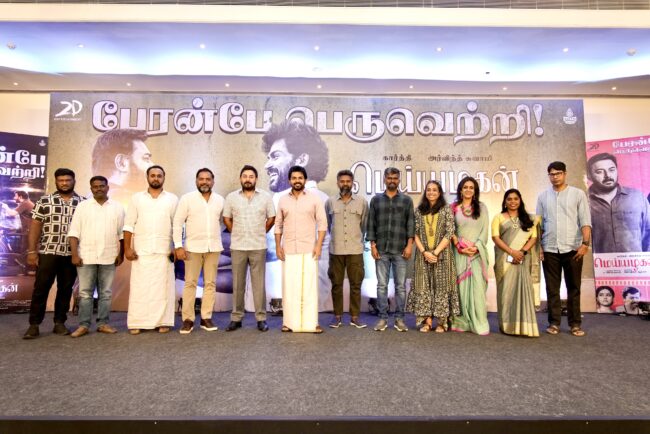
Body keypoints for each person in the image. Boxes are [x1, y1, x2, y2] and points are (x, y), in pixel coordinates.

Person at [262, 120, 332, 312]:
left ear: (301, 160)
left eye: (275, 156)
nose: (267, 165)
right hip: (301, 286)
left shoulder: (314, 199)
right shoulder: (283, 199)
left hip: (303, 286)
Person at [23, 168, 83, 339]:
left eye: (68, 180)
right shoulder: (45, 201)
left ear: (74, 181)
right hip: (48, 252)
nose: (64, 183)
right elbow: (35, 226)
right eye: (61, 180)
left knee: (65, 289)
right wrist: (32, 251)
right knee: (41, 288)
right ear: (56, 182)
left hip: (71, 254)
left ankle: (59, 323)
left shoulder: (83, 203)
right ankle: (34, 325)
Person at [536, 161, 591, 337]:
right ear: (549, 176)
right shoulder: (543, 197)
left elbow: (585, 221)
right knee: (552, 288)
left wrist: (585, 244)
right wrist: (539, 247)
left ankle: (575, 324)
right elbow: (539, 225)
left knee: (573, 287)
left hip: (573, 248)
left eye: (558, 173)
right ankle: (554, 323)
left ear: (565, 174)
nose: (555, 177)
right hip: (550, 248)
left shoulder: (578, 194)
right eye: (552, 174)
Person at [68, 176, 125, 338]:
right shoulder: (83, 207)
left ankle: (103, 324)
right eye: (95, 186)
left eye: (102, 186)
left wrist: (121, 254)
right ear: (91, 188)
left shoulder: (118, 207)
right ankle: (83, 325)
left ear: (107, 187)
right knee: (85, 293)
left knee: (105, 293)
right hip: (86, 256)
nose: (99, 188)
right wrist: (74, 254)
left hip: (109, 256)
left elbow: (122, 234)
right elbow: (74, 232)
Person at [124, 165, 178, 335]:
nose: (156, 178)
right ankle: (137, 322)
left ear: (164, 178)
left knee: (163, 290)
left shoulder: (172, 199)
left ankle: (163, 322)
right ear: (147, 177)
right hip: (141, 252)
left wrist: (176, 247)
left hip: (164, 252)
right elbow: (128, 225)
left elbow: (177, 226)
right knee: (140, 289)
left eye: (159, 176)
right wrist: (127, 248)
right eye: (152, 175)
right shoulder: (136, 198)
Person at [223, 165, 275, 332]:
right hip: (238, 246)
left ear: (256, 179)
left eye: (251, 176)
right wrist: (235, 232)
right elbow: (226, 218)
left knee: (259, 285)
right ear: (240, 178)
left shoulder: (265, 197)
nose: (248, 179)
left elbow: (272, 217)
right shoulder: (231, 197)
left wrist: (261, 232)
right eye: (245, 176)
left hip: (258, 246)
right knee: (237, 284)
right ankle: (236, 318)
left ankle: (261, 318)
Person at [275, 166, 327, 333]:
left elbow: (322, 224)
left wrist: (318, 246)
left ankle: (312, 323)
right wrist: (278, 246)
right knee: (290, 287)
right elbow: (278, 225)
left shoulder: (314, 199)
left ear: (305, 180)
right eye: (294, 178)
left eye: (300, 178)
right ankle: (288, 323)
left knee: (309, 288)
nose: (297, 181)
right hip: (289, 249)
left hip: (309, 249)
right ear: (289, 180)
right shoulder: (283, 200)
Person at [173, 168, 223, 334]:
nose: (204, 182)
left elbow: (221, 221)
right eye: (201, 179)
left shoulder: (220, 200)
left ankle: (206, 317)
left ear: (213, 181)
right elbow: (177, 223)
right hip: (192, 248)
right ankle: (188, 319)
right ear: (196, 181)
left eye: (208, 179)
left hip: (213, 247)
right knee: (190, 283)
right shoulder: (187, 199)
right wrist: (178, 246)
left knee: (210, 283)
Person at [406, 180, 459, 333]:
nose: (431, 192)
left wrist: (435, 253)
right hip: (422, 256)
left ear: (439, 192)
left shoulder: (446, 209)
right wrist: (425, 252)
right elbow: (415, 233)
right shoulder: (418, 211)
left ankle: (442, 323)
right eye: (428, 190)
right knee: (423, 286)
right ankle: (427, 321)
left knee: (442, 287)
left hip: (443, 255)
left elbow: (449, 232)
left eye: (434, 190)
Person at [366, 167, 415, 332]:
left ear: (399, 180)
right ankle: (382, 319)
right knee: (381, 286)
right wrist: (373, 245)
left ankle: (399, 319)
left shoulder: (406, 200)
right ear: (384, 180)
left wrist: (409, 245)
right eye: (389, 178)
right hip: (381, 249)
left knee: (400, 286)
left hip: (401, 249)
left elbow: (410, 224)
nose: (392, 180)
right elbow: (371, 224)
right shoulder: (376, 200)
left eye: (395, 178)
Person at [492, 189, 540, 337]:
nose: (513, 202)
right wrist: (512, 252)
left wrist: (522, 252)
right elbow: (495, 237)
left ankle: (525, 326)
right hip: (504, 259)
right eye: (509, 199)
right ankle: (507, 326)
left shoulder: (529, 219)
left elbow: (533, 237)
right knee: (506, 292)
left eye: (515, 199)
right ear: (505, 202)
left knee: (523, 290)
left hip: (522, 259)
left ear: (520, 201)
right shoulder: (498, 217)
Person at [325, 169, 368, 329]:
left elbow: (364, 225)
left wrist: (356, 239)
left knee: (356, 284)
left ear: (352, 183)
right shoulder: (330, 202)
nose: (345, 184)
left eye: (348, 181)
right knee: (336, 284)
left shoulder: (362, 202)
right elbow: (329, 224)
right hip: (336, 250)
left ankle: (355, 317)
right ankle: (337, 316)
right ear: (338, 183)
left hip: (355, 250)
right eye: (342, 181)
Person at [450, 176, 490, 335]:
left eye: (471, 187)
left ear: (475, 191)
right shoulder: (453, 208)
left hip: (476, 253)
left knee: (477, 289)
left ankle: (479, 321)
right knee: (460, 289)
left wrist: (476, 247)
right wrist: (459, 246)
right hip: (459, 252)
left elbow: (485, 231)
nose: (468, 190)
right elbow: (450, 230)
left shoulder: (482, 208)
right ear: (460, 190)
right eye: (465, 187)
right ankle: (461, 322)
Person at [587, 153, 650, 253]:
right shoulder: (584, 201)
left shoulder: (636, 197)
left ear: (617, 170)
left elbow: (648, 232)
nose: (608, 175)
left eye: (611, 170)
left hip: (635, 261)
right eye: (599, 172)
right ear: (589, 176)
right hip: (601, 262)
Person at [91, 129, 154, 204]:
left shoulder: (86, 202)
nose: (152, 165)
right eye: (146, 158)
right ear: (122, 163)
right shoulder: (133, 202)